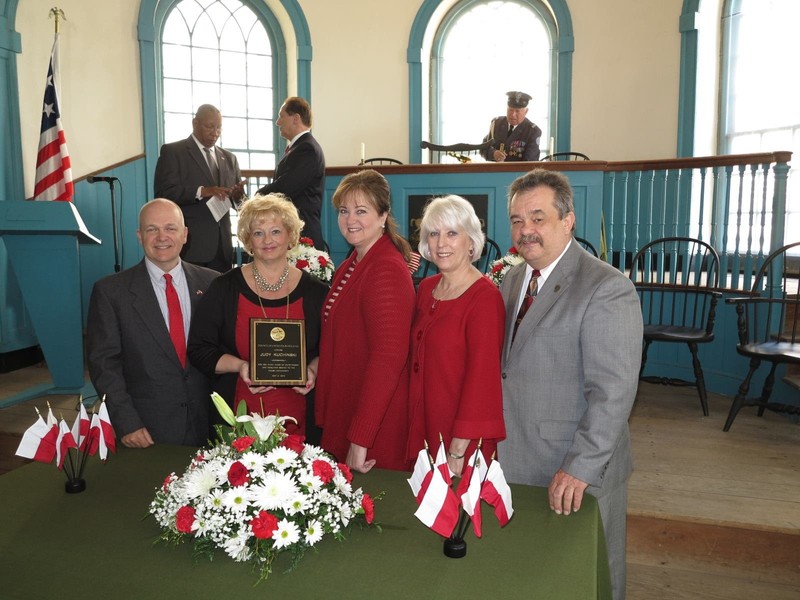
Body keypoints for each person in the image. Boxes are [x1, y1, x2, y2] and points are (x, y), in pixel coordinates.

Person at [497, 169, 642, 600]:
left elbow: (613, 392)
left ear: (568, 220)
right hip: (516, 457)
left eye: (538, 218)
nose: (526, 231)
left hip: (575, 468)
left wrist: (581, 466)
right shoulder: (511, 280)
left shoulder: (607, 288)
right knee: (534, 575)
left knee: (590, 576)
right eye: (518, 220)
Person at [187, 194, 328, 441]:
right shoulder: (223, 288)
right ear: (248, 240)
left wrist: (313, 371)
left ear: (290, 236)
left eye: (276, 231)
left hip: (303, 414)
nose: (267, 240)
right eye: (258, 233)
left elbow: (332, 348)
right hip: (238, 414)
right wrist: (241, 366)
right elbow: (199, 349)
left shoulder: (317, 292)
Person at [86, 199, 220, 448]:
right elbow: (104, 365)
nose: (162, 237)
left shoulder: (214, 283)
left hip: (210, 422)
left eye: (170, 228)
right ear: (139, 235)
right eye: (151, 229)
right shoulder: (110, 292)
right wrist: (126, 421)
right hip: (147, 429)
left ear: (185, 234)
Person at [315, 169, 415, 472]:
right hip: (351, 406)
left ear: (383, 215)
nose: (350, 220)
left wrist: (360, 441)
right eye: (344, 211)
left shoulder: (385, 268)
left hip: (374, 429)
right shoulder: (354, 262)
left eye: (361, 211)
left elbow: (388, 358)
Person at [407, 195, 506, 477]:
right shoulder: (426, 289)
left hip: (460, 438)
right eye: (434, 234)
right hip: (424, 425)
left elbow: (482, 380)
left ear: (471, 241)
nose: (441, 243)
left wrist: (457, 449)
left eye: (452, 233)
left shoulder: (484, 297)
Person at [154, 104, 246, 272]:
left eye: (219, 128)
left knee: (221, 297)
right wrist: (201, 191)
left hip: (223, 246)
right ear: (195, 123)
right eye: (210, 126)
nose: (215, 132)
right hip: (192, 245)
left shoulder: (229, 158)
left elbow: (240, 205)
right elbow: (164, 193)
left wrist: (239, 197)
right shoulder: (174, 152)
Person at [256, 97, 326, 250]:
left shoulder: (307, 149)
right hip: (294, 231)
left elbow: (286, 187)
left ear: (295, 118)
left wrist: (257, 196)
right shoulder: (299, 148)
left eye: (281, 116)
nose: (277, 122)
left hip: (303, 234)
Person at [482, 91, 542, 162]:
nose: (513, 114)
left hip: (519, 172)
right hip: (495, 171)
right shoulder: (496, 123)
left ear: (526, 112)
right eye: (510, 110)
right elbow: (483, 148)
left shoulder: (533, 131)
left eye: (517, 111)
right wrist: (493, 154)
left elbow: (530, 161)